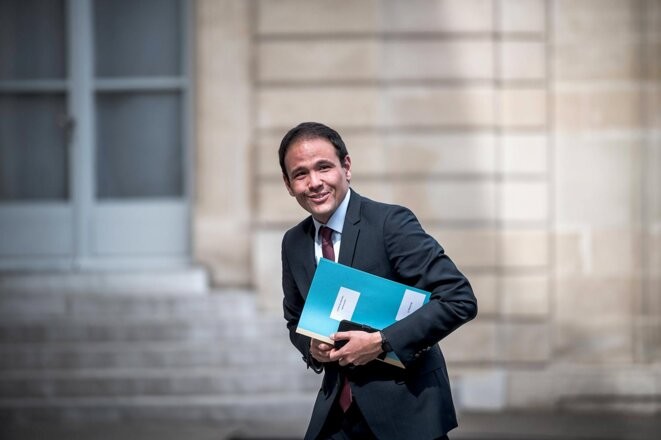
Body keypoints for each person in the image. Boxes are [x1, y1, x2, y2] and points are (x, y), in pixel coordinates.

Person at [279, 121, 477, 440]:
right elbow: (294, 318)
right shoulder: (294, 242)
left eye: (324, 167)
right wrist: (311, 347)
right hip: (335, 416)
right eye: (300, 174)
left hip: (407, 412)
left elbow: (459, 299)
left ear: (346, 167)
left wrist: (381, 342)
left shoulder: (390, 224)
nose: (314, 182)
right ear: (289, 185)